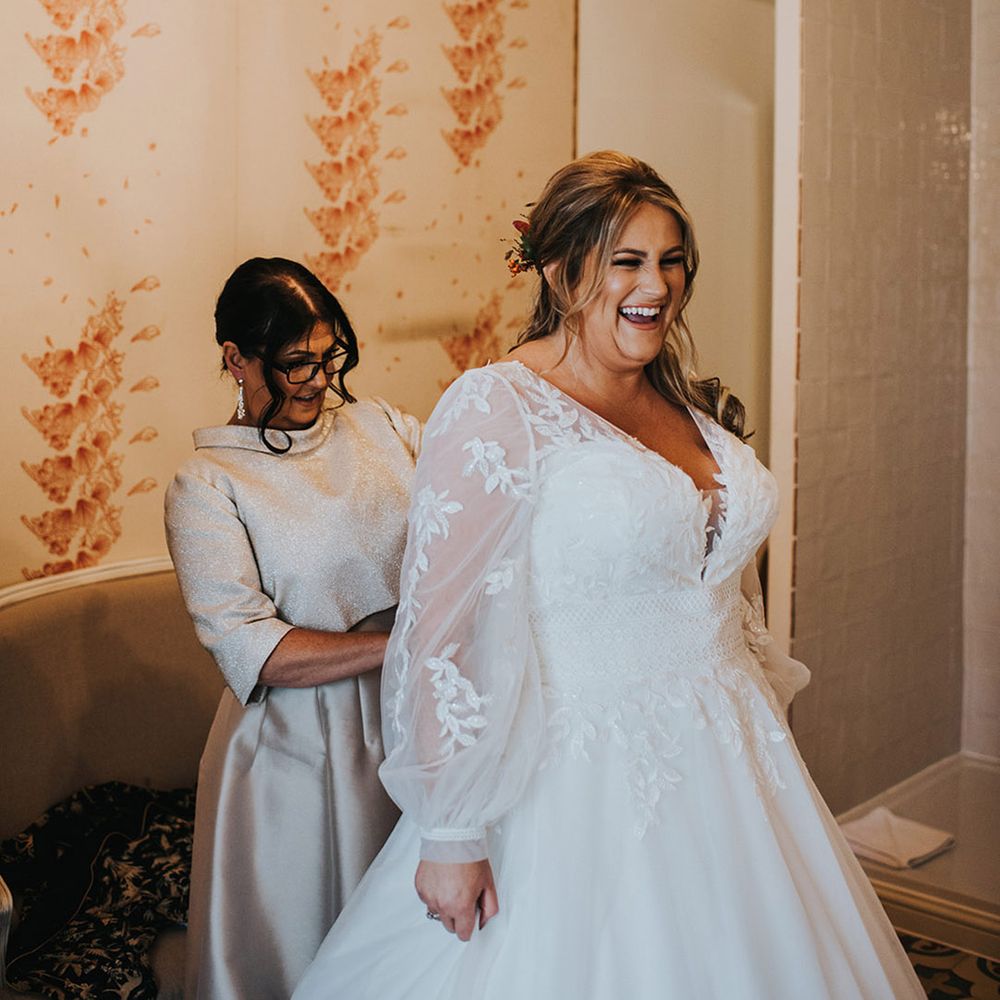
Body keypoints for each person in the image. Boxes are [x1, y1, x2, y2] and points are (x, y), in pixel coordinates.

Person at [293, 153, 924, 998]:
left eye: (671, 261)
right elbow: (444, 627)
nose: (656, 285)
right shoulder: (496, 407)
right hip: (578, 781)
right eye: (627, 261)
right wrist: (450, 830)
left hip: (734, 763)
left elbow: (720, 589)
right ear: (560, 271)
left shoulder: (686, 402)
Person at [164, 257, 421, 999]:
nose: (316, 380)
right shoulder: (207, 485)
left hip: (416, 709)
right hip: (299, 750)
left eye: (329, 356)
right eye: (295, 363)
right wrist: (400, 644)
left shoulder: (385, 427)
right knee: (316, 944)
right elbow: (255, 648)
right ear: (236, 359)